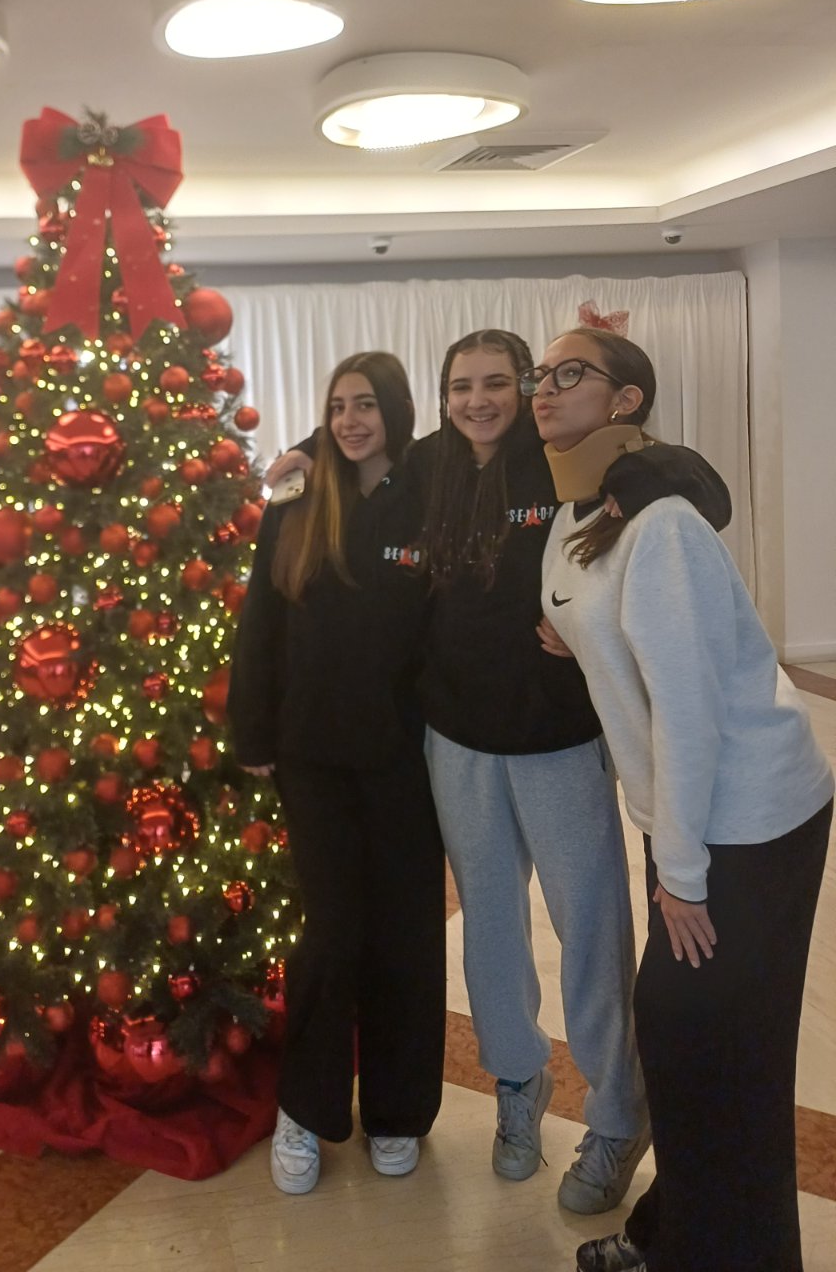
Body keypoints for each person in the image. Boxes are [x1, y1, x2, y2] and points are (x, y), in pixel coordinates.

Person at [267, 329, 729, 1216]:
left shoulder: (561, 456)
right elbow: (361, 440)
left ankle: (615, 1114)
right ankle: (518, 1085)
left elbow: (694, 488)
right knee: (490, 934)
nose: (477, 401)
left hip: (557, 741)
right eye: (459, 387)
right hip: (456, 742)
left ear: (524, 388)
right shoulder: (430, 463)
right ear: (443, 399)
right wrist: (310, 449)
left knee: (589, 930)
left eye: (495, 384)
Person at [528, 329, 833, 1272]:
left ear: (626, 402)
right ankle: (679, 1234)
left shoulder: (660, 524)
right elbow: (584, 605)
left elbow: (690, 712)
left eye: (569, 374)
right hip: (689, 816)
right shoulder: (582, 509)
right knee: (700, 1050)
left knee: (710, 1049)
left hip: (750, 814)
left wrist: (683, 876)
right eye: (541, 375)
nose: (544, 390)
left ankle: (718, 1250)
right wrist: (574, 635)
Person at [229, 353, 445, 1195]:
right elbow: (260, 617)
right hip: (312, 755)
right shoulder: (297, 496)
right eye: (338, 407)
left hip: (405, 758)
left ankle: (398, 1112)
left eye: (367, 406)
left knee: (406, 933)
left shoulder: (427, 492)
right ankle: (306, 1108)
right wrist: (252, 727)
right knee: (331, 934)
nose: (351, 421)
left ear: (396, 410)